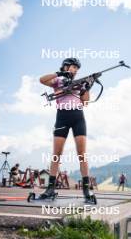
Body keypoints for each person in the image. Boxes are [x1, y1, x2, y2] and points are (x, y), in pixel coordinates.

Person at [39, 58, 94, 202]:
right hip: (62, 117)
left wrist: (86, 88)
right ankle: (50, 189)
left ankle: (86, 191)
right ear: (65, 67)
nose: (75, 70)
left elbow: (85, 102)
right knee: (57, 153)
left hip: (78, 117)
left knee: (82, 154)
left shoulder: (80, 82)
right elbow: (41, 80)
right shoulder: (57, 81)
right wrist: (60, 73)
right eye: (72, 67)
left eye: (76, 68)